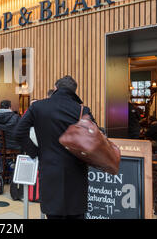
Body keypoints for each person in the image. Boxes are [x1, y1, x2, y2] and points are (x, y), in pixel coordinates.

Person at [14, 75, 95, 219]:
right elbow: (95, 137)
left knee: (53, 214)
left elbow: (19, 132)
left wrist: (36, 152)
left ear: (56, 88)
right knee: (76, 214)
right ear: (74, 91)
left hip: (50, 167)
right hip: (77, 169)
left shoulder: (38, 106)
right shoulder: (83, 110)